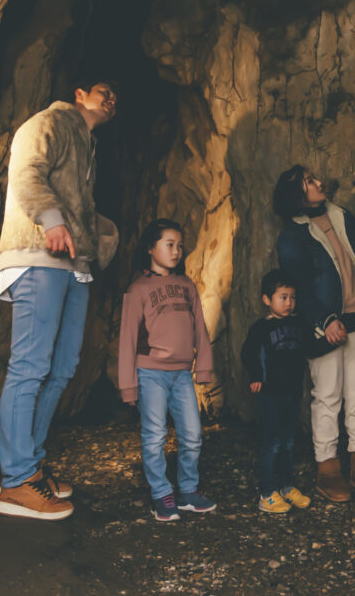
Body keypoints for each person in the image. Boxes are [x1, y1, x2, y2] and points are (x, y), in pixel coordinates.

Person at [0, 81, 120, 520]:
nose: (111, 100)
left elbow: (80, 206)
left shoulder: (87, 145)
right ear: (80, 94)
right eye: (103, 91)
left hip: (73, 265)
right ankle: (14, 483)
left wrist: (102, 235)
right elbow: (27, 172)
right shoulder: (49, 122)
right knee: (29, 366)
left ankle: (32, 465)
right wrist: (50, 221)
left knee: (62, 369)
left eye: (115, 98)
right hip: (38, 255)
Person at [272, 166, 355, 502]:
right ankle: (328, 469)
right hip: (324, 328)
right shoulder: (292, 235)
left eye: (315, 179)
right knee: (327, 397)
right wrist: (326, 320)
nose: (319, 183)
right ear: (297, 194)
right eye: (309, 182)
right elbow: (299, 286)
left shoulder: (341, 216)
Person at [117, 219, 217, 522]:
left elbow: (200, 327)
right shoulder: (138, 289)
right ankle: (161, 493)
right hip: (150, 373)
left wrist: (204, 368)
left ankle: (187, 490)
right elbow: (127, 340)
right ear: (151, 248)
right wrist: (128, 386)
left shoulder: (187, 285)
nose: (176, 251)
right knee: (154, 435)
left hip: (182, 373)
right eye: (169, 244)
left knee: (192, 434)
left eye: (179, 245)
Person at [239, 269, 314, 514]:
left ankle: (287, 487)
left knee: (289, 442)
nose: (289, 303)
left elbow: (311, 348)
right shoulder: (261, 328)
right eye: (283, 297)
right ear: (267, 299)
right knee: (271, 444)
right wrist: (256, 377)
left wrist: (332, 340)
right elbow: (248, 353)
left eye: (292, 297)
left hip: (293, 391)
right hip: (270, 393)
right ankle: (267, 493)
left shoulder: (299, 322)